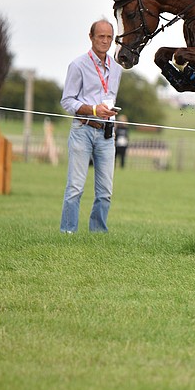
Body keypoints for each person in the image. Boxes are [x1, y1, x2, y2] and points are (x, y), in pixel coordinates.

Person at [59, 19, 122, 234]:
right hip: (82, 130)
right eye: (100, 36)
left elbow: (109, 97)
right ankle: (68, 232)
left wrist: (110, 113)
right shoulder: (78, 65)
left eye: (108, 37)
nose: (105, 41)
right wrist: (94, 110)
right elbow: (67, 101)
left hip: (106, 133)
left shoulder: (116, 68)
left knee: (105, 191)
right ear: (91, 37)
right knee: (75, 187)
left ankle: (98, 234)